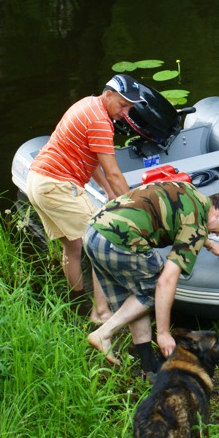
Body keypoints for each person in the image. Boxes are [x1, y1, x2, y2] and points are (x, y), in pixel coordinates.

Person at [84, 182, 219, 375]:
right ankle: (104, 333)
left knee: (136, 299)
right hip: (120, 243)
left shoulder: (190, 192)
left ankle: (149, 368)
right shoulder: (196, 227)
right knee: (153, 292)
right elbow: (166, 281)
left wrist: (209, 244)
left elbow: (181, 217)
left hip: (94, 232)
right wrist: (163, 333)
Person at [26, 74, 146, 323]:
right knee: (101, 242)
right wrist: (136, 210)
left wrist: (108, 191)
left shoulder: (87, 105)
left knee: (73, 247)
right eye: (123, 105)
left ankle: (76, 305)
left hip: (39, 181)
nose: (126, 113)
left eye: (130, 108)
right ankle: (100, 313)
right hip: (57, 185)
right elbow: (113, 172)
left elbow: (88, 157)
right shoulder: (101, 121)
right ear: (109, 94)